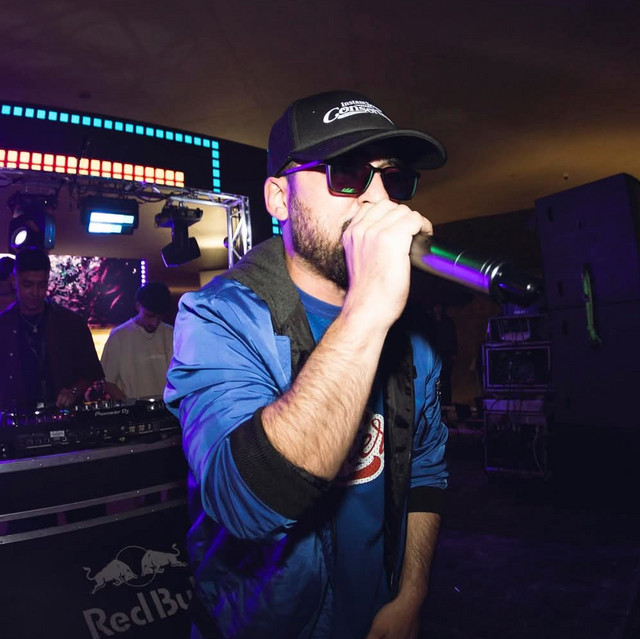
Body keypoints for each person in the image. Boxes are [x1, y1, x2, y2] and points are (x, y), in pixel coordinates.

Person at [165, 90, 449, 639]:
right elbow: (247, 503)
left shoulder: (410, 327)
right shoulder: (218, 316)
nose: (378, 200)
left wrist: (411, 594)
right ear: (278, 198)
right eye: (347, 174)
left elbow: (426, 471)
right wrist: (368, 309)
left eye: (393, 179)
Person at [0, 248, 104, 411]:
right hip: (16, 417)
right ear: (14, 280)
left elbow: (91, 371)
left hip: (63, 416)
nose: (35, 292)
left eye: (42, 285)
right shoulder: (4, 325)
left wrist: (73, 391)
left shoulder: (71, 323)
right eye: (27, 285)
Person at [100, 281, 173, 399]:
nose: (154, 323)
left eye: (159, 317)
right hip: (135, 409)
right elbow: (108, 382)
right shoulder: (119, 336)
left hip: (167, 407)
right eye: (149, 315)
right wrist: (131, 406)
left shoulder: (171, 333)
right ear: (138, 305)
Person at [430, 303, 458, 406]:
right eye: (436, 307)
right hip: (434, 356)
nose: (437, 309)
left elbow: (453, 338)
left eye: (439, 307)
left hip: (446, 355)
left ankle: (446, 402)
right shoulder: (430, 322)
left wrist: (454, 353)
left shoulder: (448, 322)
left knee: (446, 379)